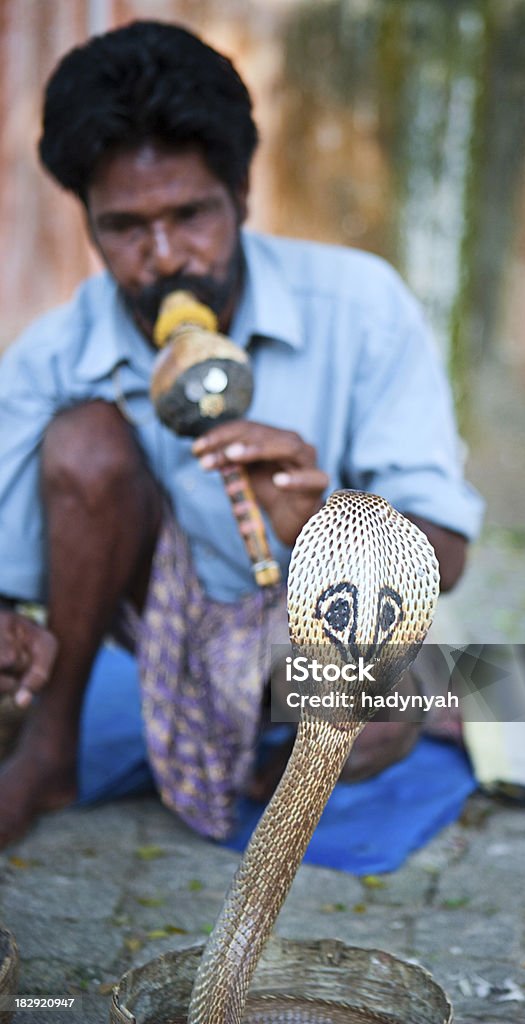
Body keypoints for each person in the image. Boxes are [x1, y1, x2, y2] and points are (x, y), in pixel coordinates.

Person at [0, 20, 484, 848]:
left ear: (242, 197)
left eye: (191, 214)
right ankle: (49, 749)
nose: (163, 257)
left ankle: (383, 710)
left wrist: (327, 521)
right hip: (160, 629)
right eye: (125, 227)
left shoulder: (362, 309)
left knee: (372, 709)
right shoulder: (55, 354)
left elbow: (445, 555)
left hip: (300, 638)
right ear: (87, 222)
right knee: (83, 439)